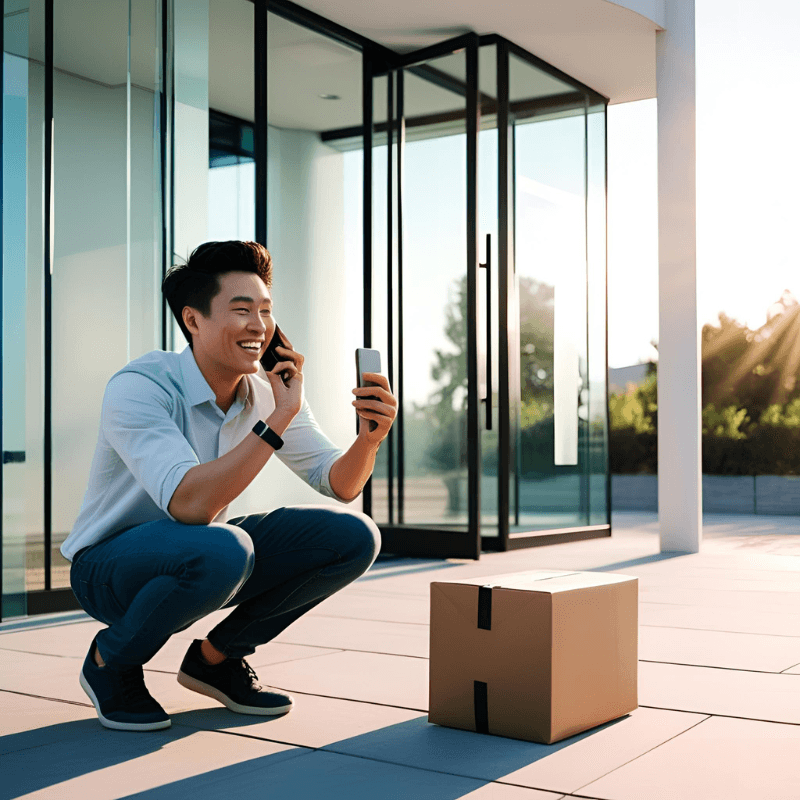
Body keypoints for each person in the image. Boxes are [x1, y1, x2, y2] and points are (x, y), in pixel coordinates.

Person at [60, 240, 397, 732]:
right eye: (242, 311)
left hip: (206, 554)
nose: (259, 326)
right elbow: (191, 505)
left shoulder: (267, 394)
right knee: (223, 547)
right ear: (193, 320)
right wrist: (277, 418)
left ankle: (215, 661)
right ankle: (111, 662)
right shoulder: (140, 386)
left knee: (353, 537)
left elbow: (340, 484)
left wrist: (369, 440)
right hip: (109, 569)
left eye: (265, 311)